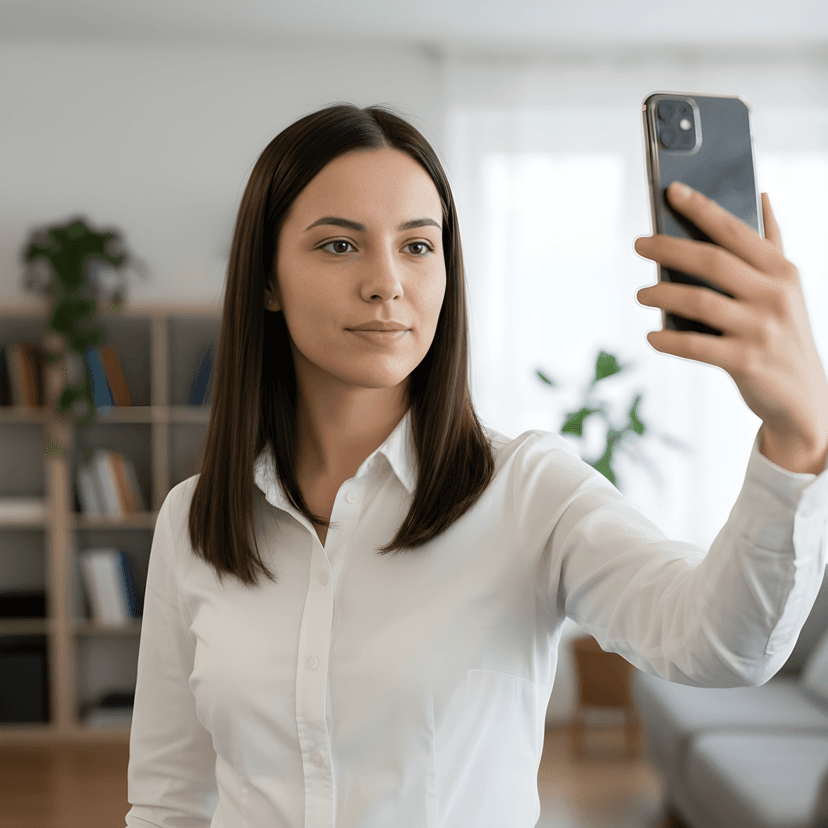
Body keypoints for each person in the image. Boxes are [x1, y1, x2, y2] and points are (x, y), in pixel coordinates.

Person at [125, 103, 828, 828]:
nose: (386, 282)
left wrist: (797, 439)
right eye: (339, 245)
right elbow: (168, 801)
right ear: (266, 280)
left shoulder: (529, 491)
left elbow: (720, 644)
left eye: (417, 246)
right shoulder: (193, 520)